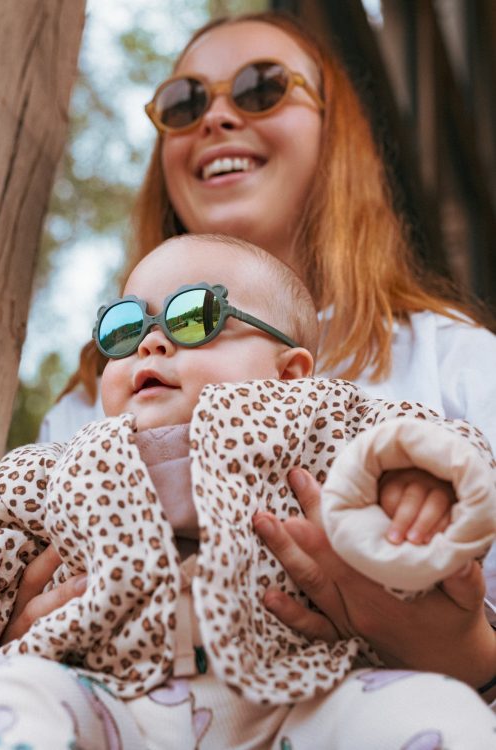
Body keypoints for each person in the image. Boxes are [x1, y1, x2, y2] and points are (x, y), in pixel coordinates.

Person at [24, 8, 496, 718]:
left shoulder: (453, 360)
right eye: (184, 103)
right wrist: (18, 637)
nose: (214, 117)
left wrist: (468, 658)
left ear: (336, 134)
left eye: (260, 89)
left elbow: (455, 466)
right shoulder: (95, 402)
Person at [0, 234, 496, 749]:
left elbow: (434, 438)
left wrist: (422, 475)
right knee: (16, 695)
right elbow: (4, 530)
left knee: (440, 713)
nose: (151, 343)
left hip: (302, 695)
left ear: (290, 376)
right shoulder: (65, 468)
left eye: (193, 318)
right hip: (114, 701)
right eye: (124, 329)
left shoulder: (324, 428)